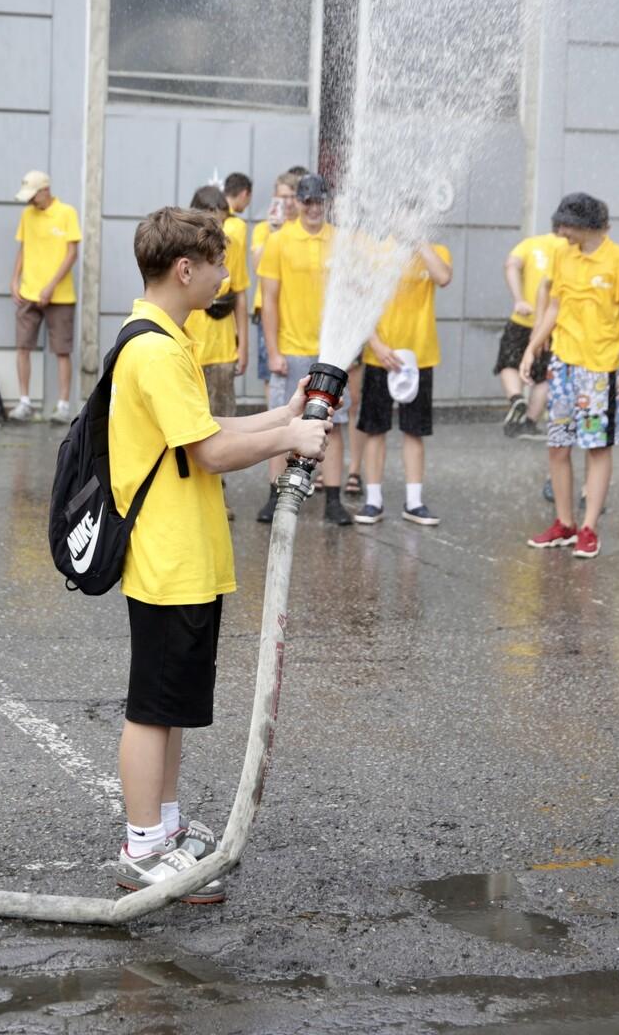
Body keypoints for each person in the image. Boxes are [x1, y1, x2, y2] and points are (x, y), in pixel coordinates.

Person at [108, 206, 331, 897]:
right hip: (167, 559)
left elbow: (203, 427)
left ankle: (165, 831)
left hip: (186, 556)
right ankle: (143, 848)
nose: (224, 280)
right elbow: (208, 451)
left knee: (171, 703)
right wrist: (289, 442)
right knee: (153, 705)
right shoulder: (153, 347)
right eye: (217, 267)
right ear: (185, 269)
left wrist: (283, 416)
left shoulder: (161, 337)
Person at [521, 192, 619, 560]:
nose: (560, 232)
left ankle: (589, 528)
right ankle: (564, 523)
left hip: (600, 367)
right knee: (558, 446)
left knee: (596, 447)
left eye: (566, 225)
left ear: (587, 226)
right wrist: (532, 346)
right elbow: (555, 305)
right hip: (564, 364)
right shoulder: (562, 254)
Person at [256, 172, 352, 527]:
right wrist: (274, 350)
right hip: (292, 349)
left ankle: (334, 500)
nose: (314, 208)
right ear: (296, 202)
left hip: (331, 353)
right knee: (285, 421)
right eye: (307, 201)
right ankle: (274, 494)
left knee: (335, 424)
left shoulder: (341, 241)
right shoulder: (279, 241)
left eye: (319, 201)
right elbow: (268, 299)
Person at [355, 241, 453, 525]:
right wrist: (375, 344)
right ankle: (373, 500)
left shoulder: (437, 251)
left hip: (419, 356)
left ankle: (414, 501)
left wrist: (420, 243)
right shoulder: (374, 251)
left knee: (414, 430)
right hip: (380, 356)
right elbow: (360, 302)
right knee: (375, 429)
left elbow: (444, 278)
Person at [11, 170, 80, 423]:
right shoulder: (27, 215)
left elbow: (71, 254)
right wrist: (14, 280)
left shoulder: (67, 213)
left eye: (33, 196)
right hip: (28, 292)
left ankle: (63, 406)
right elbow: (23, 248)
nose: (30, 201)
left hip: (60, 295)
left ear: (45, 190)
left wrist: (51, 286)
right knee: (23, 347)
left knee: (62, 350)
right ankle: (24, 402)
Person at [182, 185, 248, 419]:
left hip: (222, 350)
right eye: (212, 224)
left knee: (223, 419)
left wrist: (243, 346)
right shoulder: (182, 248)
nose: (218, 230)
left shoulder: (231, 244)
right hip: (189, 348)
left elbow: (240, 292)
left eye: (221, 223)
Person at [497, 226, 563, 438]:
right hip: (551, 324)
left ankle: (516, 398)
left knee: (508, 362)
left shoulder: (531, 243)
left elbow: (511, 265)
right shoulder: (571, 249)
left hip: (522, 316)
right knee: (544, 376)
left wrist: (519, 299)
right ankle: (529, 423)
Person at [249, 170, 302, 381]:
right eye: (282, 197)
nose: (287, 202)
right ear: (275, 198)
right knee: (271, 372)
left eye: (291, 196)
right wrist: (274, 230)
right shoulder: (264, 228)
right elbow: (257, 266)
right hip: (267, 307)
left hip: (297, 310)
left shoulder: (305, 227)